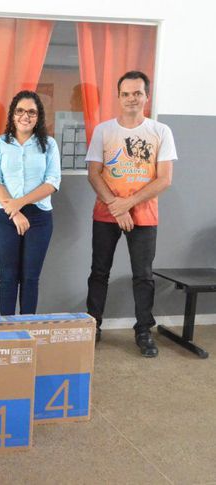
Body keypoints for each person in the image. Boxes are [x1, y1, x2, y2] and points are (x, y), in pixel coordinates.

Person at [86, 71, 177, 357]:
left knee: (143, 276)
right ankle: (93, 326)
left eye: (137, 93)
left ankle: (143, 331)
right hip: (106, 214)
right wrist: (116, 206)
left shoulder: (161, 131)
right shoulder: (103, 131)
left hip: (144, 216)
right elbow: (94, 174)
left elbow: (164, 179)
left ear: (146, 96)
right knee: (99, 272)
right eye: (125, 94)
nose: (131, 99)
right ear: (118, 97)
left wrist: (128, 204)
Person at [0, 91, 61, 315]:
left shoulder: (49, 144)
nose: (25, 116)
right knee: (8, 278)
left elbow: (52, 182)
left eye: (31, 112)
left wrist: (19, 203)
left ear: (38, 117)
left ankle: (27, 328)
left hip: (39, 218)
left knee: (30, 278)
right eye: (20, 111)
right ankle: (7, 329)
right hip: (5, 217)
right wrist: (14, 211)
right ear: (12, 114)